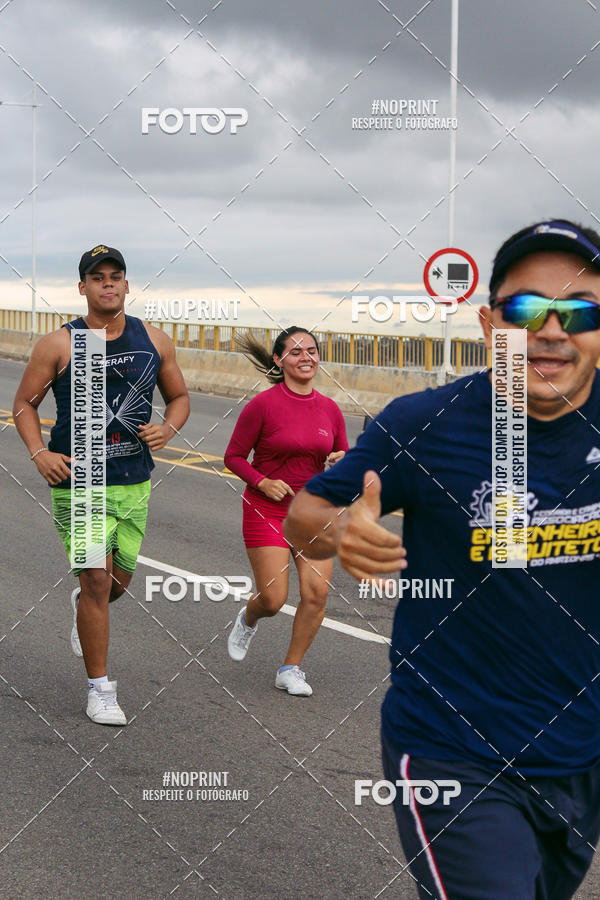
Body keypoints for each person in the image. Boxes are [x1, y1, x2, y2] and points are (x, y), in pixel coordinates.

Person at [284, 220, 600, 898]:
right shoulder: (424, 422)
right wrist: (342, 532)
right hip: (452, 750)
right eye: (525, 310)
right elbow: (304, 515)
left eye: (577, 312)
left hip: (580, 754)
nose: (551, 331)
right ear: (490, 325)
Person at [13, 245, 190, 725]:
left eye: (116, 276)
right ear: (83, 288)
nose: (108, 284)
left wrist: (169, 428)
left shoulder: (154, 339)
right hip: (81, 481)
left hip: (135, 480)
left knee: (116, 585)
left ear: (128, 285)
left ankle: (85, 606)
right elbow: (24, 405)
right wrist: (40, 453)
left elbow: (178, 396)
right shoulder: (60, 344)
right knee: (95, 580)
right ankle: (100, 689)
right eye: (97, 278)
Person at [225, 327, 349, 695]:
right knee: (274, 599)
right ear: (279, 360)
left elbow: (342, 459)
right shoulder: (262, 405)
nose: (306, 357)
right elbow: (232, 457)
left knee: (316, 595)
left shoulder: (330, 409)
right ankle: (249, 617)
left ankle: (290, 668)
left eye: (311, 350)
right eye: (295, 352)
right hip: (267, 510)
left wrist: (342, 460)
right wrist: (262, 482)